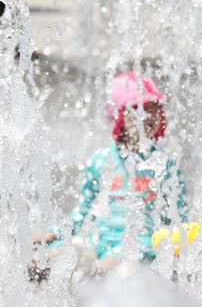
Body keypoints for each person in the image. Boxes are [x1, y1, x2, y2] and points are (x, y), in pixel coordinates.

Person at [33, 72, 190, 275]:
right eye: (139, 110)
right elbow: (82, 212)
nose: (148, 117)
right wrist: (54, 233)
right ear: (119, 118)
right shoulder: (101, 161)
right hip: (99, 242)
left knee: (121, 266)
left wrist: (178, 246)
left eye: (154, 109)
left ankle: (100, 268)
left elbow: (179, 218)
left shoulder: (165, 164)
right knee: (66, 251)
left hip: (143, 248)